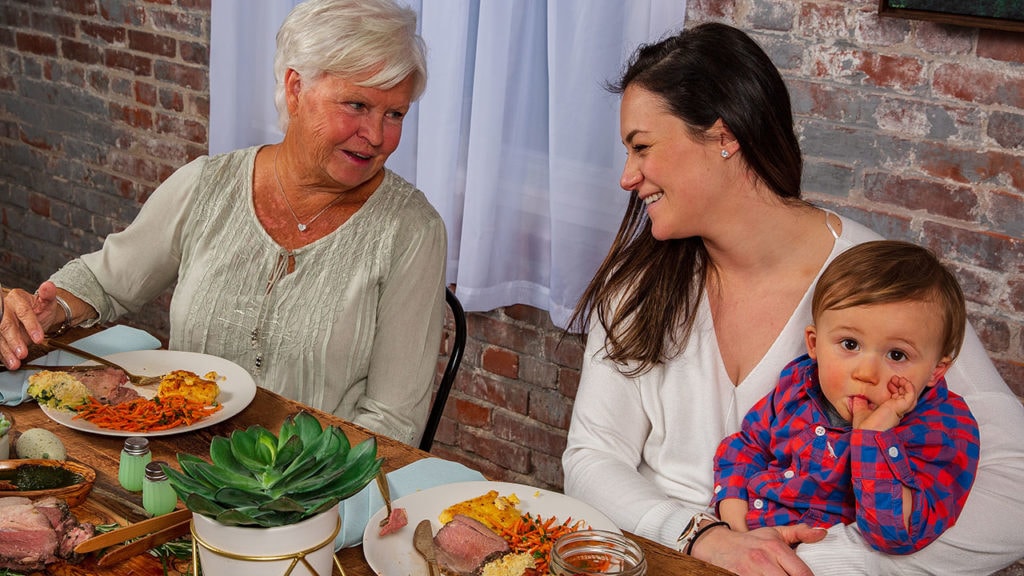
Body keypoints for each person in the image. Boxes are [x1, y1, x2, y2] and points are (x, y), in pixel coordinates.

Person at [562, 21, 1024, 576]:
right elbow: (591, 460)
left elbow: (1014, 483)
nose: (627, 177)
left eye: (641, 147)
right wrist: (701, 537)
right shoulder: (636, 288)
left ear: (724, 136)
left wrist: (816, 563)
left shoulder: (883, 289)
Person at [0, 0, 447, 447]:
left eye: (395, 114)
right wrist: (46, 312)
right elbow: (105, 281)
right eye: (357, 104)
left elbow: (392, 424)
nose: (377, 136)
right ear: (295, 89)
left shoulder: (410, 232)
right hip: (173, 459)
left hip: (310, 490)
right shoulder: (208, 186)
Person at [713, 240, 980, 556]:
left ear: (937, 370)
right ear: (814, 345)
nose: (866, 372)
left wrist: (873, 436)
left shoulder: (944, 429)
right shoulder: (800, 384)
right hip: (744, 538)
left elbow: (896, 535)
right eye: (850, 344)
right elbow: (747, 446)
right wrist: (736, 528)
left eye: (897, 354)